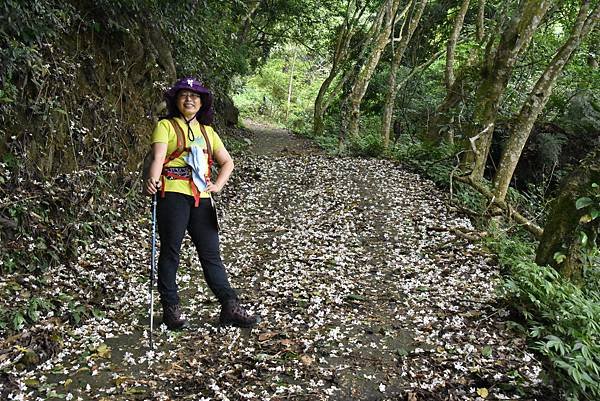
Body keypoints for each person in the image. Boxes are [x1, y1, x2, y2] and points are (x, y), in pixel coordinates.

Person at [144, 77, 259, 330]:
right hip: (172, 193)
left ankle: (230, 305)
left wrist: (217, 185)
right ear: (176, 100)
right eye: (184, 95)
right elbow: (159, 157)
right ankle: (171, 308)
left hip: (202, 197)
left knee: (211, 254)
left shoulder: (209, 132)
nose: (189, 99)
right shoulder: (166, 126)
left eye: (195, 96)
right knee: (171, 251)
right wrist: (153, 180)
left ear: (202, 102)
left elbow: (227, 162)